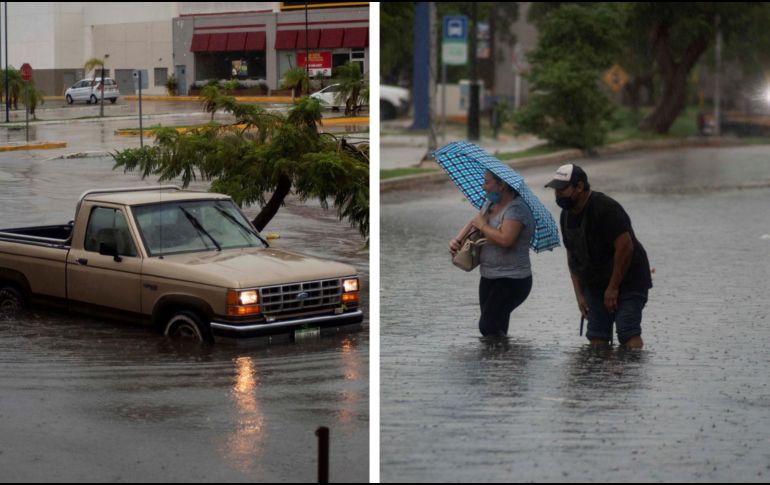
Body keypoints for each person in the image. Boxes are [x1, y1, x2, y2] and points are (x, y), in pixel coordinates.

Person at [545, 163, 652, 349]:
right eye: (556, 190)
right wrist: (579, 294)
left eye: (562, 190)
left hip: (630, 279)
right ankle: (600, 369)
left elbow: (626, 247)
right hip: (595, 282)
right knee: (596, 335)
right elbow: (572, 257)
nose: (558, 195)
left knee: (627, 330)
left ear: (579, 187)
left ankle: (632, 367)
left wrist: (613, 288)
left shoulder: (605, 208)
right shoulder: (566, 216)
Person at [449, 171, 535, 337]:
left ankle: (501, 352)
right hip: (488, 276)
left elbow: (505, 240)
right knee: (494, 329)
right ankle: (502, 353)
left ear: (502, 185)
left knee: (487, 325)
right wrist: (457, 240)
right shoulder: (490, 203)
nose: (483, 187)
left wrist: (483, 226)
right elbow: (475, 222)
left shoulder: (517, 209)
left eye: (487, 182)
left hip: (513, 279)